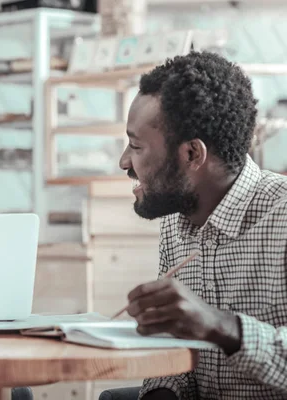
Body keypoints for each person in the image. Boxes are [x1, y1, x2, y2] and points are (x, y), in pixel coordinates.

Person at [118, 52, 287, 399]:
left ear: (193, 154)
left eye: (136, 146)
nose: (124, 162)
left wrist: (218, 325)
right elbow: (177, 366)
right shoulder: (175, 225)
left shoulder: (282, 215)